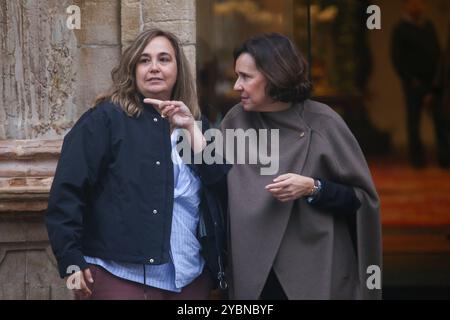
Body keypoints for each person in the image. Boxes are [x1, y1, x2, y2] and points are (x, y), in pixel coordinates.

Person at [45, 29, 229, 300]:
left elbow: (222, 185)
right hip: (120, 275)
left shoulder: (195, 124)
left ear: (178, 68)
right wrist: (71, 260)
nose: (154, 67)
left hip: (190, 274)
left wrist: (191, 127)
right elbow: (66, 193)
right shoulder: (104, 120)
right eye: (144, 60)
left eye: (164, 59)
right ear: (132, 69)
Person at [220, 33, 382, 299]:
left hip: (314, 269)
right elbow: (215, 187)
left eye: (246, 77)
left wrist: (313, 187)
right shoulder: (234, 122)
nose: (237, 85)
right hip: (253, 269)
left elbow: (359, 200)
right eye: (237, 76)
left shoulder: (323, 122)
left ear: (274, 76)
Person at [391, 0, 450, 168]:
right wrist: (410, 79)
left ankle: (445, 159)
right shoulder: (400, 29)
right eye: (413, 4)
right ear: (406, 6)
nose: (417, 7)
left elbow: (438, 53)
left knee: (441, 121)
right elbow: (397, 58)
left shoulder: (428, 26)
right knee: (414, 123)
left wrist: (436, 82)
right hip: (413, 84)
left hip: (433, 84)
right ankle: (417, 161)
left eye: (420, 3)